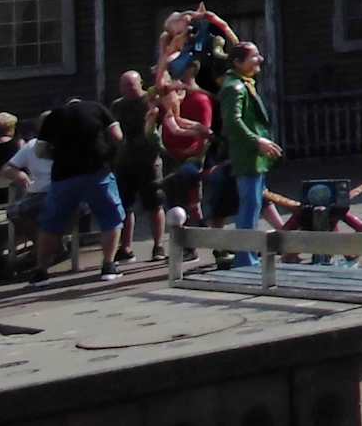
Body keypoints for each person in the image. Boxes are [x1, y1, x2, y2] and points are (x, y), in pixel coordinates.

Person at [31, 97, 126, 284]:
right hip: (97, 171)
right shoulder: (98, 108)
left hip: (63, 175)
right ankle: (108, 265)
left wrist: (59, 156)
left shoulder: (54, 116)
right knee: (110, 218)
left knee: (51, 224)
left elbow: (40, 151)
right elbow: (117, 136)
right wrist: (109, 154)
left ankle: (40, 271)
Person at [218, 43, 282, 269]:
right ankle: (245, 258)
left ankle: (249, 255)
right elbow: (232, 122)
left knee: (255, 205)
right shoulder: (234, 87)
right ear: (238, 62)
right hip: (247, 157)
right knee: (249, 206)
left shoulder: (244, 84)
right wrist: (257, 141)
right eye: (254, 56)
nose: (260, 59)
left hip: (256, 157)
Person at [110, 70, 166, 263]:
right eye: (124, 86)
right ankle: (126, 247)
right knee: (125, 206)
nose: (128, 89)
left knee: (155, 203)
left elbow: (163, 123)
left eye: (131, 85)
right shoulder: (117, 106)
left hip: (148, 160)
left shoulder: (151, 101)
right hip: (125, 161)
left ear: (140, 83)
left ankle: (158, 245)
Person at [159, 67, 214, 223]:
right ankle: (182, 230)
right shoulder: (169, 108)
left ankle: (199, 228)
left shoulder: (199, 100)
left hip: (190, 158)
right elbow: (176, 128)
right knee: (174, 201)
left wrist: (197, 154)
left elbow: (203, 132)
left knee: (192, 201)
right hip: (170, 157)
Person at [2, 114, 55, 247]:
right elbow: (6, 169)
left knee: (19, 212)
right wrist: (19, 174)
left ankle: (46, 247)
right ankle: (47, 246)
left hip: (62, 192)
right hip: (42, 195)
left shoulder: (71, 142)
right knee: (16, 212)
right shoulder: (31, 145)